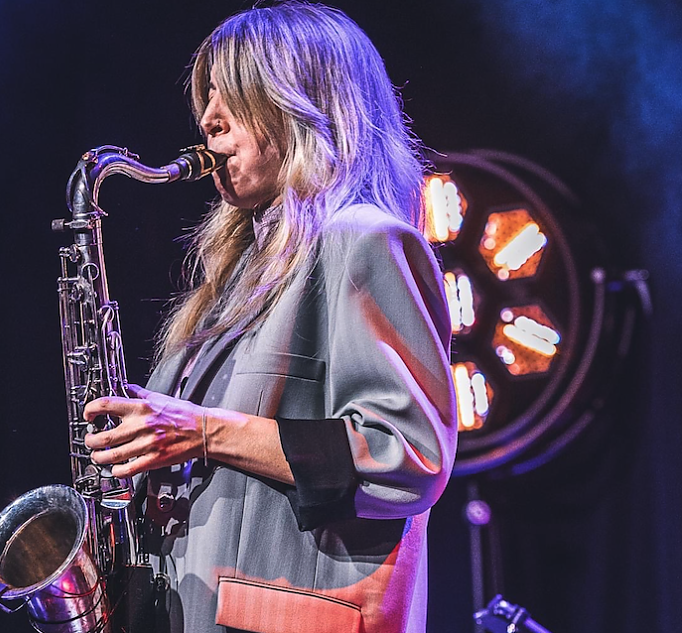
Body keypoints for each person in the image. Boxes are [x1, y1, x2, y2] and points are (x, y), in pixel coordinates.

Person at [83, 3, 458, 632]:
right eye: (206, 99)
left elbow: (409, 457)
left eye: (233, 94)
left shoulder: (362, 242)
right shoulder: (230, 281)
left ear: (303, 102)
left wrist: (203, 432)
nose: (206, 118)